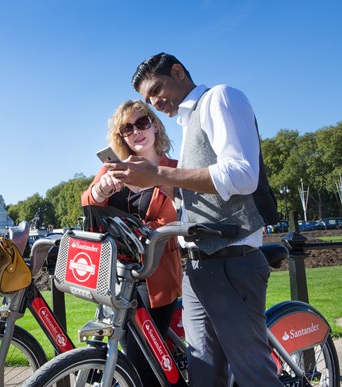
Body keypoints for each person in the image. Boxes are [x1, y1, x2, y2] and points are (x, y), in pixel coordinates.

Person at [105, 53, 280, 386]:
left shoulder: (220, 98)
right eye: (147, 99)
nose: (155, 102)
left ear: (178, 72)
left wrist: (159, 173)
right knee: (204, 374)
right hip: (199, 266)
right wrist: (156, 181)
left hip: (231, 258)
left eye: (156, 90)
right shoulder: (189, 124)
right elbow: (197, 193)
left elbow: (243, 175)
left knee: (253, 374)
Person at [81, 99, 182, 383]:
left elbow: (176, 215)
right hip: (118, 275)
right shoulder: (115, 168)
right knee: (122, 352)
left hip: (156, 274)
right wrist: (101, 190)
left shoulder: (173, 168)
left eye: (142, 122)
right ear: (121, 136)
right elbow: (87, 202)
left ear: (154, 124)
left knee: (142, 360)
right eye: (127, 128)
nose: (136, 131)